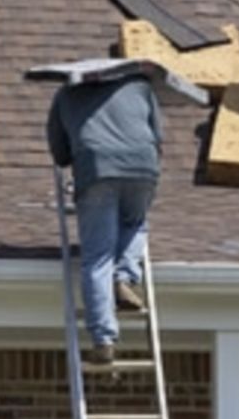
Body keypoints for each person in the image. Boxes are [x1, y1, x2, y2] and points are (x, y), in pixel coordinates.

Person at [47, 74, 162, 365]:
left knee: (98, 257)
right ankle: (124, 278)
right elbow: (157, 136)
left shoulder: (66, 93)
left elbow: (60, 154)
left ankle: (103, 340)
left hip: (96, 168)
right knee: (135, 223)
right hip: (142, 165)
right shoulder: (139, 86)